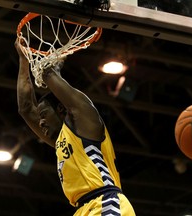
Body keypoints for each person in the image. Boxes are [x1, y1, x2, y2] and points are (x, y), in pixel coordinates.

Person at [15, 38, 136, 216]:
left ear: (61, 109)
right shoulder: (60, 140)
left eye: (43, 116)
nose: (40, 123)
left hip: (106, 202)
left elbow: (49, 74)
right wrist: (23, 59)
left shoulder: (86, 121)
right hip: (83, 210)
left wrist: (54, 65)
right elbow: (25, 107)